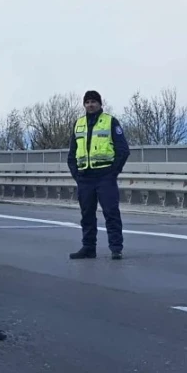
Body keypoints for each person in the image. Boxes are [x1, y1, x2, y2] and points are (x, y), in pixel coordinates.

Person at [67, 90, 131, 260]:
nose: (90, 105)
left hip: (104, 176)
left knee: (111, 212)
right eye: (87, 102)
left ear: (100, 104)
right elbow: (72, 153)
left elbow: (123, 150)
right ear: (84, 105)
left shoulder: (110, 121)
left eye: (94, 101)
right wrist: (77, 174)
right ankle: (88, 248)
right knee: (87, 214)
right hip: (85, 177)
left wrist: (112, 172)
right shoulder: (78, 123)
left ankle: (116, 248)